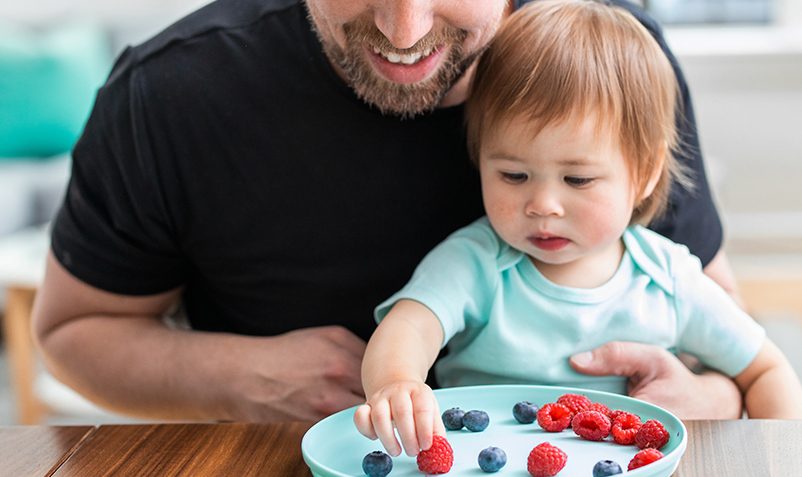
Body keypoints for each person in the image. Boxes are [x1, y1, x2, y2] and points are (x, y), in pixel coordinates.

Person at [32, 0, 743, 422]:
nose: (404, 31)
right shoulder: (172, 94)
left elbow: (726, 343)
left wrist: (706, 401)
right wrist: (242, 375)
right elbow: (71, 331)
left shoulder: (612, 63)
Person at [353, 0, 802, 457]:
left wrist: (779, 452)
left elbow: (766, 371)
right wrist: (396, 382)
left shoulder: (667, 278)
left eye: (578, 179)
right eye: (513, 175)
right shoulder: (476, 262)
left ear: (644, 173)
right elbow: (408, 328)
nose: (543, 205)